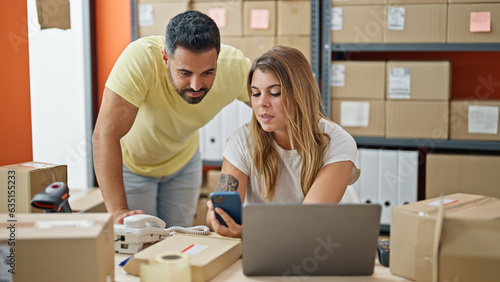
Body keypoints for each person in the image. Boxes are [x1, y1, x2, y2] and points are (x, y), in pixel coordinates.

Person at [92, 10, 251, 226]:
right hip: (134, 167)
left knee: (178, 241)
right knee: (140, 245)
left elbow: (275, 108)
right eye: (185, 73)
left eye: (207, 73)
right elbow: (105, 135)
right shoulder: (140, 59)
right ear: (166, 58)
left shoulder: (235, 68)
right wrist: (118, 210)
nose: (196, 86)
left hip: (183, 163)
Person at [206, 46, 361, 238]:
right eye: (255, 93)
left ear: (300, 94)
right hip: (265, 245)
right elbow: (217, 216)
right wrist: (217, 216)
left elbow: (308, 222)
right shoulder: (242, 141)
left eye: (275, 92)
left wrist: (252, 231)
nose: (262, 103)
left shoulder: (338, 142)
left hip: (322, 244)